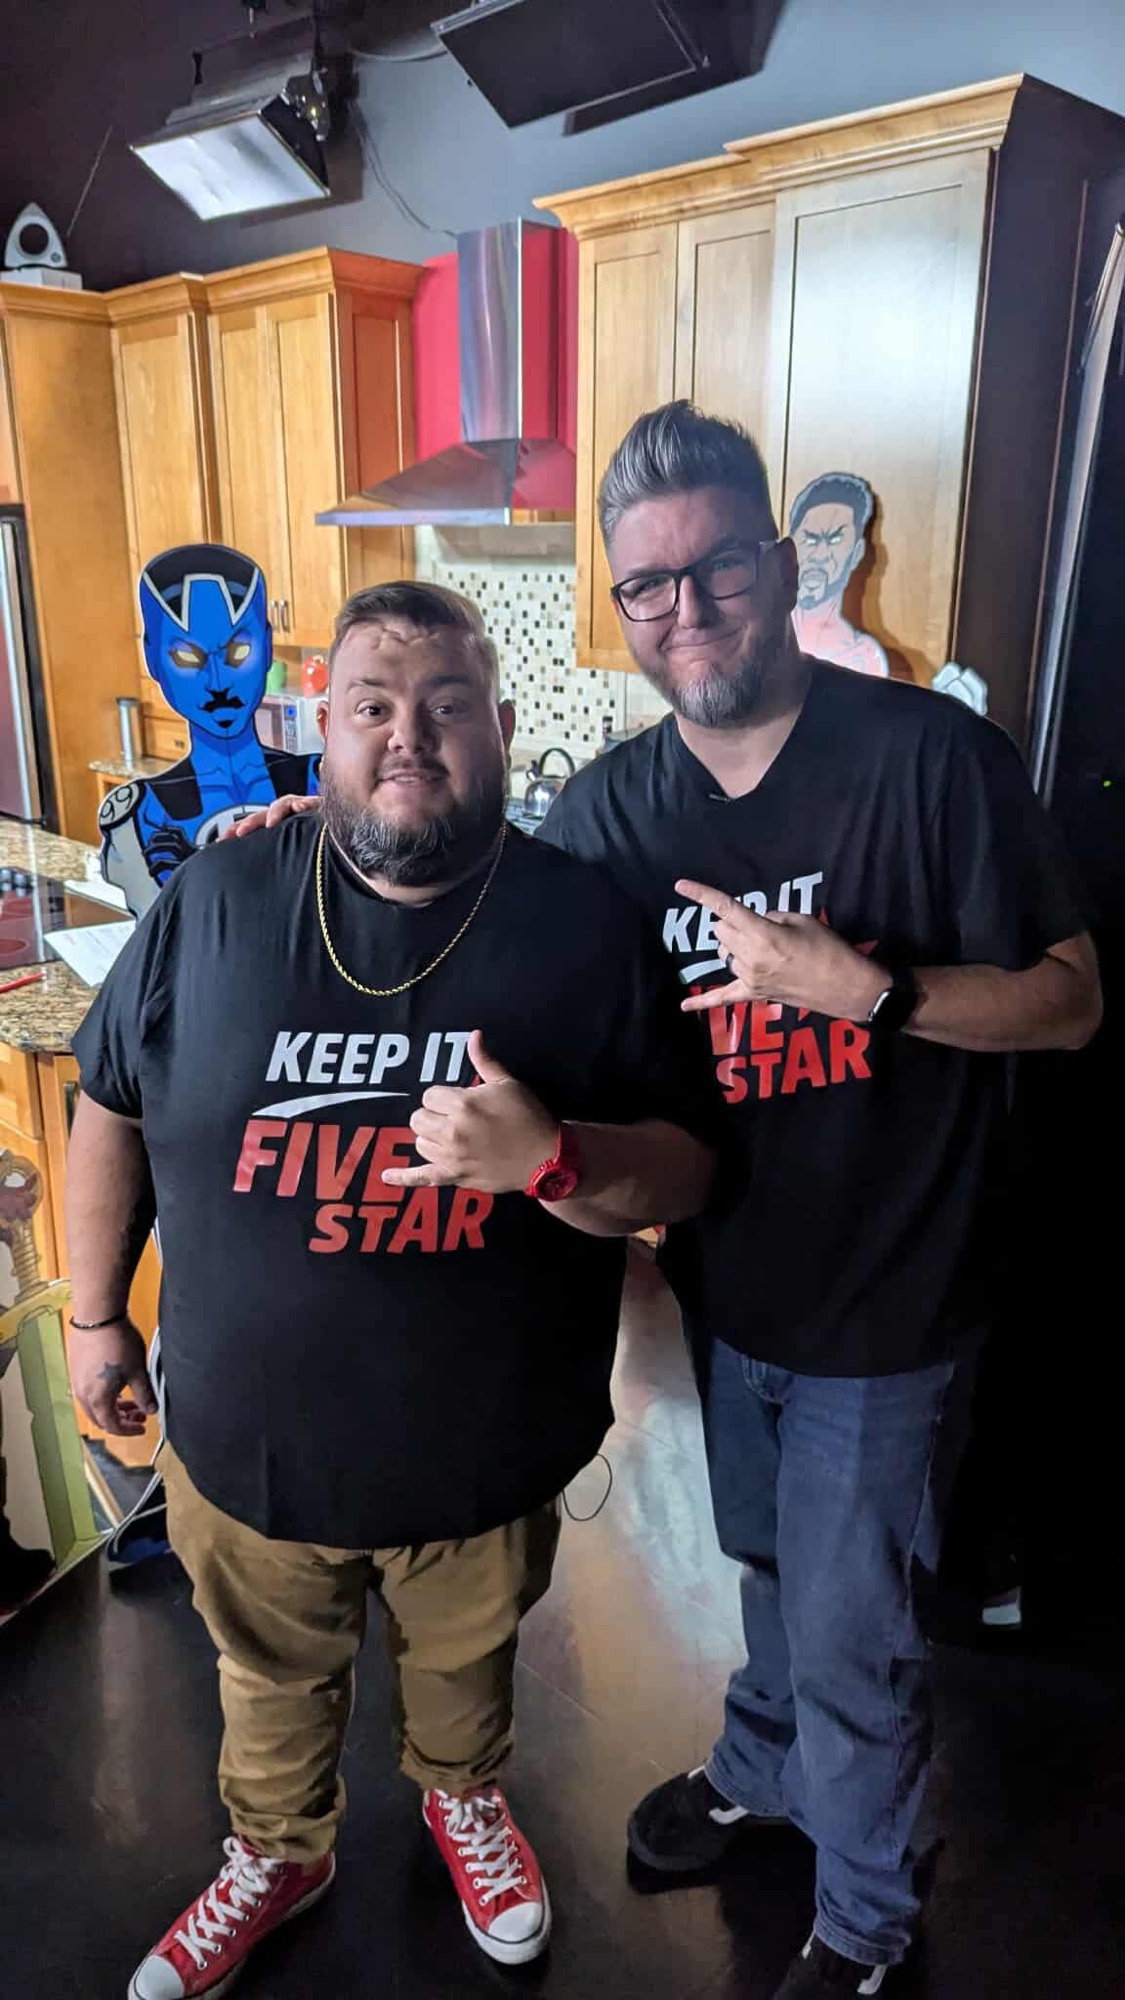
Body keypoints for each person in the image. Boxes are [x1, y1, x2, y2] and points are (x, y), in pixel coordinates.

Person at [238, 406, 1102, 1997]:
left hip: (897, 1290)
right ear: (620, 604)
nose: (686, 611)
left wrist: (876, 992)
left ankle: (866, 1919)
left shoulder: (930, 759)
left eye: (718, 570)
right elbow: (467, 890)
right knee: (768, 1560)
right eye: (648, 585)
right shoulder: (615, 811)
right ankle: (763, 1763)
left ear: (778, 563)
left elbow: (1070, 1001)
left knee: (853, 1632)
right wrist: (318, 836)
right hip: (727, 1274)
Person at [67, 581, 717, 2000]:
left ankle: (463, 1803)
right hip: (247, 1442)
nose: (406, 734)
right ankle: (278, 1852)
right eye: (372, 704)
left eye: (444, 704)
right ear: (328, 728)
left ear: (502, 725)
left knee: (468, 1669)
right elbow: (109, 1096)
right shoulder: (217, 898)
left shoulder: (582, 925)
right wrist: (94, 1313)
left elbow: (683, 1168)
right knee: (265, 1678)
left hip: (483, 1447)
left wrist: (550, 1159)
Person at [788, 471, 888, 678]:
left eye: (835, 540)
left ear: (856, 553)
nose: (820, 555)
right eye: (810, 539)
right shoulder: (756, 637)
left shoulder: (864, 658)